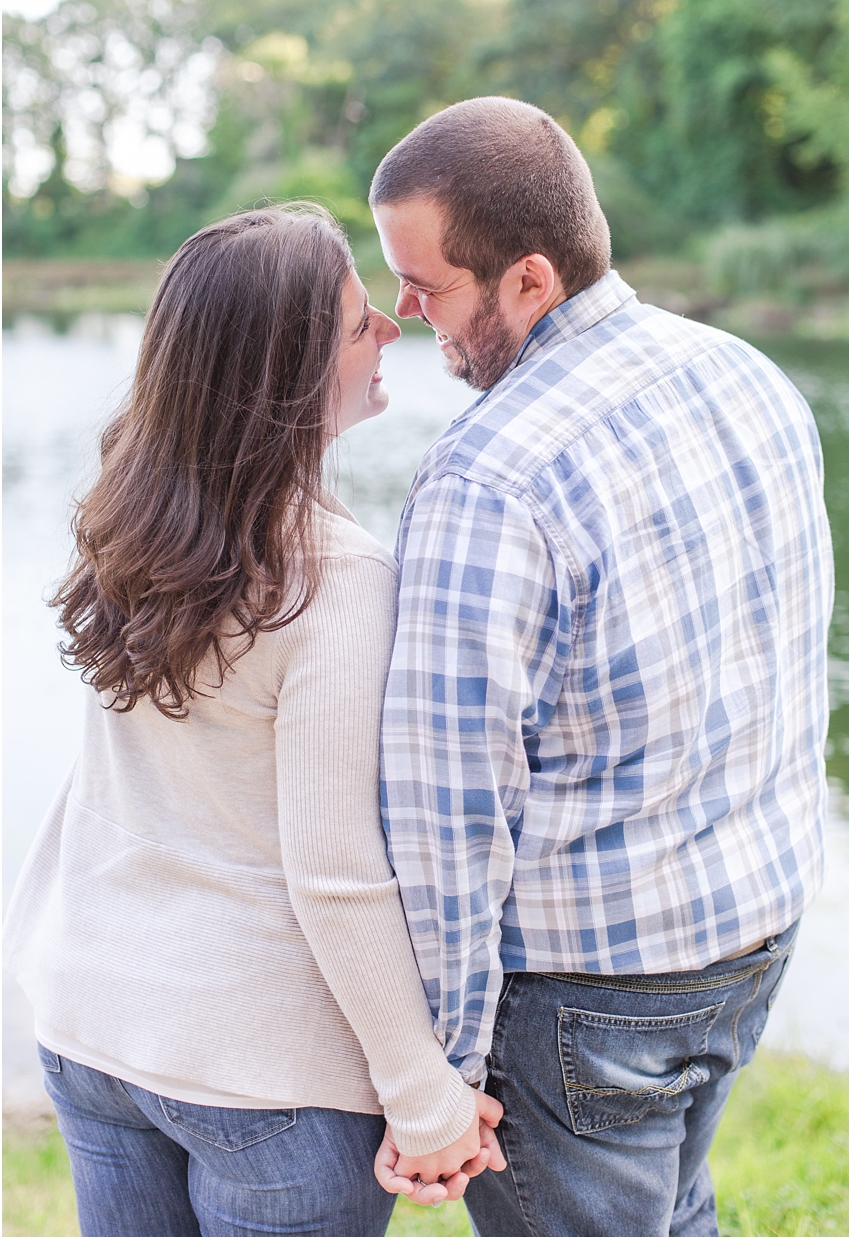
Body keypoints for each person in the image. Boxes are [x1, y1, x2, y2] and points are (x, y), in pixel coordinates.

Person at [368, 97, 833, 1235]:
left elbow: (449, 817)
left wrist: (441, 1074)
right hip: (753, 930)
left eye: (427, 285)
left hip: (584, 993)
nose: (402, 311)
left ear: (530, 279)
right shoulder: (747, 374)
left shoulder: (485, 478)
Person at [3, 204, 504, 1237]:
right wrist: (423, 1098)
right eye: (360, 321)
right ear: (286, 369)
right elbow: (333, 871)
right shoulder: (333, 574)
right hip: (260, 1075)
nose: (391, 331)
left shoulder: (126, 517)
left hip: (92, 1019)